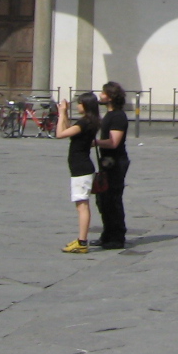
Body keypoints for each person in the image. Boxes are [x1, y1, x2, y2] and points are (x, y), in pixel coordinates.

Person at [55, 92, 100, 254]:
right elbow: (68, 130)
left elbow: (60, 134)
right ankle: (81, 240)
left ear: (85, 105)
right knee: (81, 204)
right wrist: (65, 114)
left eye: (79, 103)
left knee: (82, 205)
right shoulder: (89, 121)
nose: (77, 106)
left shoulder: (85, 122)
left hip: (82, 169)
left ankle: (82, 241)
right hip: (81, 168)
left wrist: (60, 114)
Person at [94, 81, 130, 249]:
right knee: (103, 199)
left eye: (103, 93)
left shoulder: (118, 116)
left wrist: (95, 142)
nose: (100, 95)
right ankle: (107, 234)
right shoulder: (109, 115)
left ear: (110, 96)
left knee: (113, 199)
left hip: (116, 162)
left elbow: (114, 142)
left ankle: (117, 236)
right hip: (107, 162)